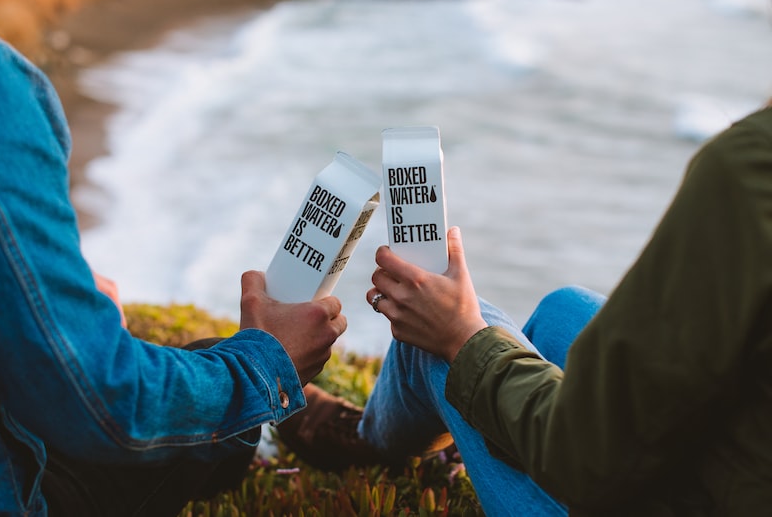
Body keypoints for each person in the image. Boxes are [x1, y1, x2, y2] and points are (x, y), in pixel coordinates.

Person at [278, 103, 772, 515]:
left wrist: (461, 337)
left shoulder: (751, 169)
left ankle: (367, 445)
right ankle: (451, 426)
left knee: (436, 338)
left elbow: (590, 458)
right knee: (564, 308)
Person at [0, 23, 347, 516]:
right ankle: (315, 425)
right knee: (222, 369)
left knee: (208, 363)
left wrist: (57, 288)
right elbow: (103, 402)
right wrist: (268, 366)